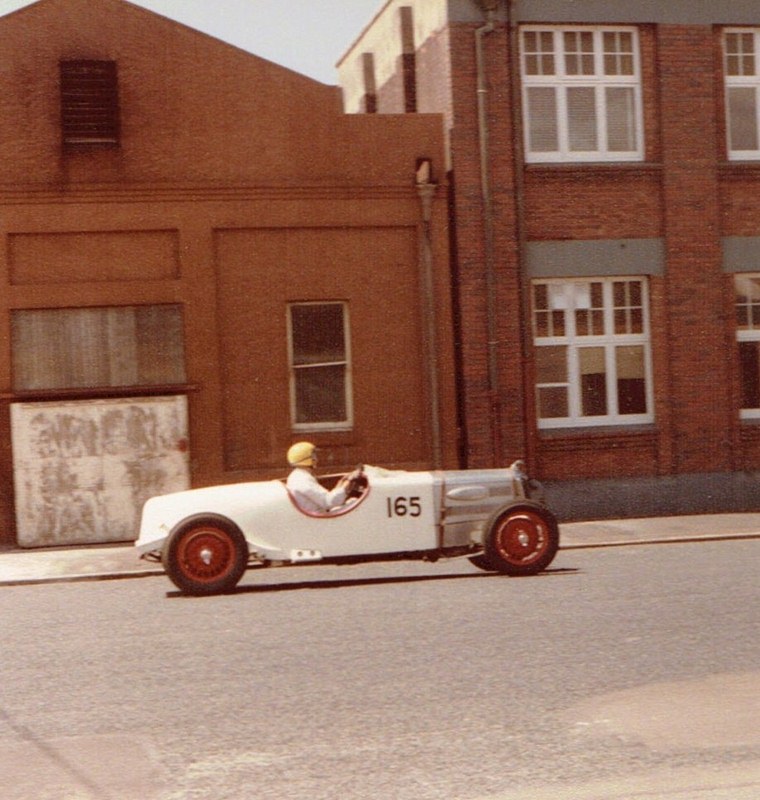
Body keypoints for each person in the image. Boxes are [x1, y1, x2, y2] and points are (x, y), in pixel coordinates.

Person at [285, 441, 362, 514]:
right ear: (308, 459)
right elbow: (329, 502)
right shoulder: (303, 479)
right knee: (355, 503)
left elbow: (327, 498)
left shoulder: (298, 476)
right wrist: (349, 480)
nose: (316, 459)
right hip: (318, 521)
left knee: (352, 502)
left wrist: (342, 481)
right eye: (314, 456)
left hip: (317, 517)